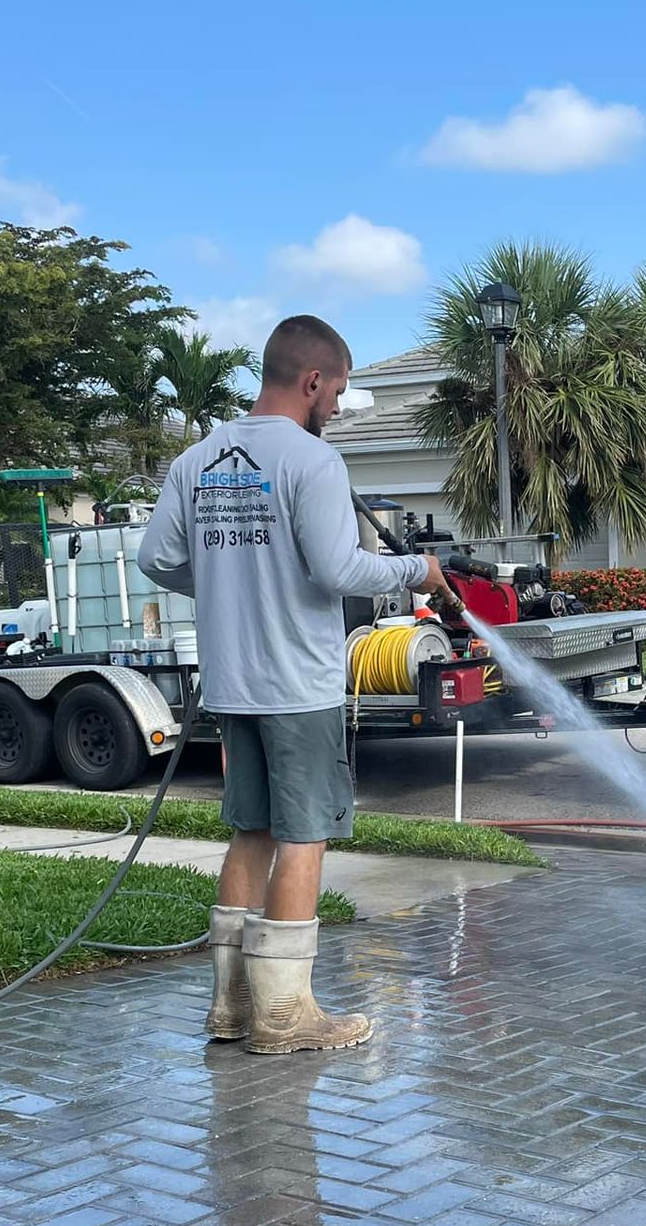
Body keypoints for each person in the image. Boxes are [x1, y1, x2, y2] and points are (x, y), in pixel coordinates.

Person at [138, 314, 451, 1053]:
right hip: (298, 685)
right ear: (312, 381)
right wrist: (419, 571)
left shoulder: (197, 461)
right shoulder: (312, 464)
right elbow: (338, 571)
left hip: (233, 683)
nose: (338, 408)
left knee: (251, 832)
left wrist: (220, 582)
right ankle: (285, 1017)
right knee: (305, 835)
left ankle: (232, 1008)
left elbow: (156, 558)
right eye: (337, 391)